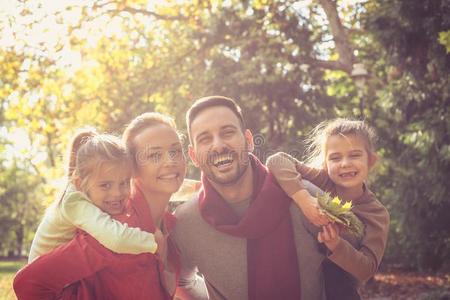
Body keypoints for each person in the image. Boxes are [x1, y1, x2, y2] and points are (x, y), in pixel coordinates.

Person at [14, 113, 189, 299]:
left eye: (176, 151)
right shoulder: (112, 233)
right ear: (132, 168)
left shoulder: (170, 226)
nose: (171, 161)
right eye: (154, 155)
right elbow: (29, 284)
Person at [172, 96, 326, 300]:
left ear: (249, 140)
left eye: (227, 132)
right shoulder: (185, 222)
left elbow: (354, 264)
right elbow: (180, 282)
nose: (218, 146)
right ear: (193, 155)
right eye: (205, 139)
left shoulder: (304, 199)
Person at [266, 118, 390, 300]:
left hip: (340, 288)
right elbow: (277, 160)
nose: (345, 163)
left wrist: (336, 245)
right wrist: (304, 199)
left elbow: (367, 269)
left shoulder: (376, 212)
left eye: (354, 155)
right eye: (335, 157)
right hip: (300, 272)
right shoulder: (323, 181)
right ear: (325, 163)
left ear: (371, 160)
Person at [28, 129, 161, 263]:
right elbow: (116, 239)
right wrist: (154, 242)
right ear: (80, 183)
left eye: (124, 183)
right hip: (42, 278)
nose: (117, 193)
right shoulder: (74, 202)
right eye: (105, 185)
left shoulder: (89, 194)